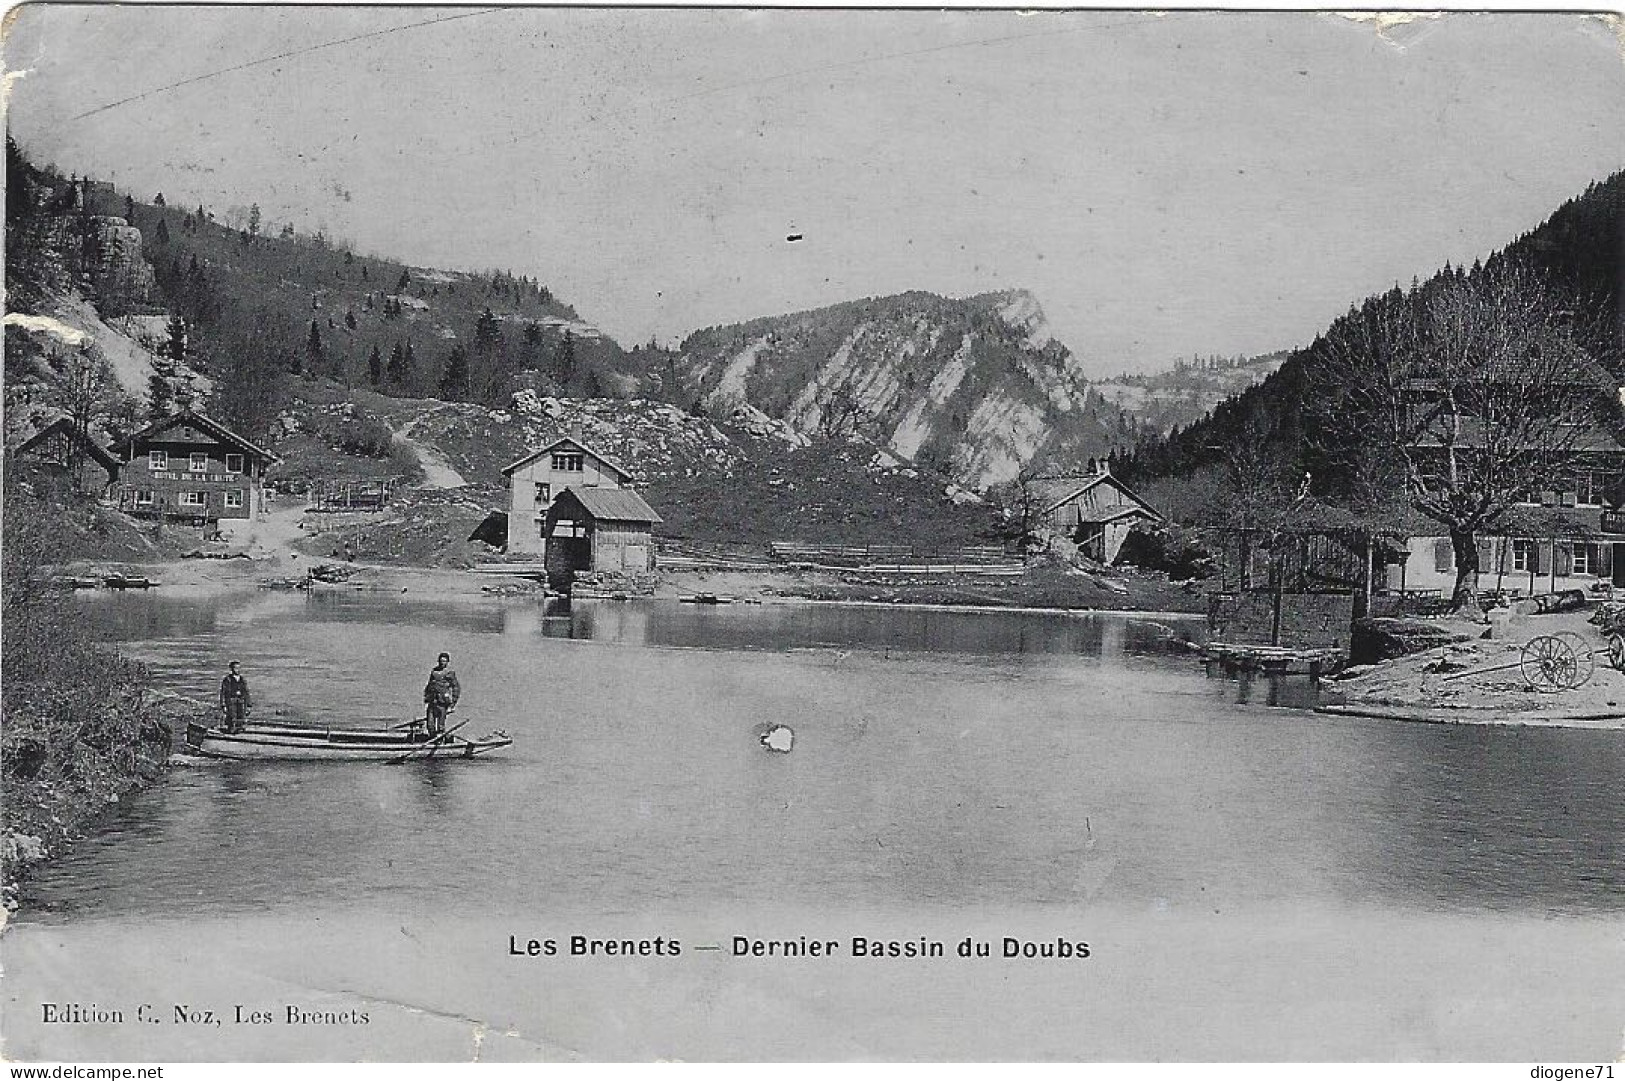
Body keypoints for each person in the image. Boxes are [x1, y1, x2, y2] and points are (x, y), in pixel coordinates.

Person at [423, 652, 461, 737]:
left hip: (442, 703)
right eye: (441, 661)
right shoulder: (434, 672)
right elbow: (429, 685)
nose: (442, 663)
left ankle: (440, 742)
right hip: (432, 702)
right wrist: (426, 697)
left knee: (440, 726)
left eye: (444, 661)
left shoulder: (449, 673)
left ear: (447, 662)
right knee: (430, 724)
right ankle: (432, 739)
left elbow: (456, 688)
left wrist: (453, 703)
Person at [219, 661, 252, 733]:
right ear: (231, 669)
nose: (238, 670)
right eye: (236, 668)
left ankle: (240, 731)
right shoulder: (227, 679)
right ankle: (231, 732)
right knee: (232, 718)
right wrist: (223, 705)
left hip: (240, 700)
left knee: (241, 717)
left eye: (239, 668)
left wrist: (249, 705)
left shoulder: (242, 679)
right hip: (231, 701)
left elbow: (246, 692)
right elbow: (223, 692)